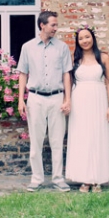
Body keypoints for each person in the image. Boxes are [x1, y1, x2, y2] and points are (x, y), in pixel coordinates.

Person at [17, 11, 73, 192]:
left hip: (57, 97)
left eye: (56, 25)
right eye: (53, 25)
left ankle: (58, 178)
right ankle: (37, 178)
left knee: (57, 141)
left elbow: (66, 73)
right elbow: (23, 73)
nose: (56, 28)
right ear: (42, 25)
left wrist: (67, 99)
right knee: (36, 141)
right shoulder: (28, 47)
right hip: (35, 98)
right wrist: (20, 100)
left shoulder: (62, 47)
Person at [65, 25, 109, 192]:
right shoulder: (75, 60)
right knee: (82, 138)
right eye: (81, 39)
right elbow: (69, 82)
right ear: (77, 42)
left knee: (97, 136)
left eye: (87, 37)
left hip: (98, 100)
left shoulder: (103, 57)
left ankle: (98, 179)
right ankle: (85, 179)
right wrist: (68, 101)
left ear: (92, 38)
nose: (84, 41)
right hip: (79, 102)